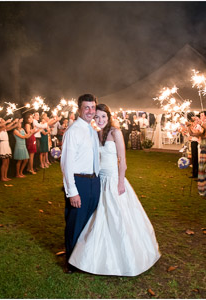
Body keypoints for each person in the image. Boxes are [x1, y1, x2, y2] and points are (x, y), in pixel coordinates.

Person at [69, 104, 160, 276]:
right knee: (97, 216)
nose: (100, 120)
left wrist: (120, 182)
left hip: (113, 180)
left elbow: (122, 161)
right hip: (98, 180)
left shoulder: (115, 133)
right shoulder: (95, 133)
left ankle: (125, 256)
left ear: (109, 117)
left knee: (117, 215)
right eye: (97, 117)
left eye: (103, 117)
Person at [60, 94, 101, 274]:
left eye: (93, 107)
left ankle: (84, 258)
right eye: (87, 107)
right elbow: (66, 164)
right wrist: (72, 192)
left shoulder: (91, 130)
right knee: (75, 223)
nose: (90, 111)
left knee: (89, 222)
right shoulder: (73, 131)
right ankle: (71, 262)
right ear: (79, 109)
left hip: (94, 181)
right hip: (79, 182)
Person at [194, 113, 206, 197]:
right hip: (202, 153)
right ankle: (201, 189)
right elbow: (193, 134)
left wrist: (201, 123)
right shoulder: (203, 131)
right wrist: (188, 127)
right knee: (201, 172)